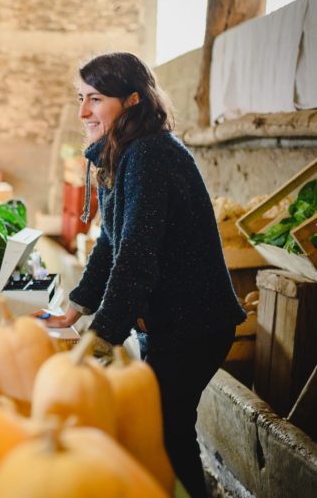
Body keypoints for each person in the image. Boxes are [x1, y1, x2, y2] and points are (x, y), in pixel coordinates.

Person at [41, 52, 246, 498]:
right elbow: (112, 243)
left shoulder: (152, 155)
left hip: (195, 325)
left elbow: (136, 255)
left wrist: (101, 338)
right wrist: (74, 310)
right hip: (171, 323)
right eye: (81, 98)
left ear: (132, 100)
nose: (83, 112)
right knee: (163, 430)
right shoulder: (124, 153)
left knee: (168, 434)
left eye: (95, 99)